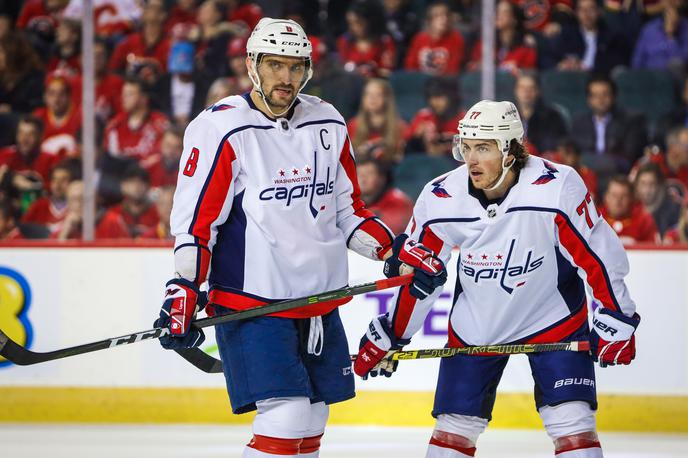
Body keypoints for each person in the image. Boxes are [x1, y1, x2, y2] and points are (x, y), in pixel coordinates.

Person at [152, 18, 442, 458]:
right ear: (253, 65)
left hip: (317, 299)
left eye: (296, 66)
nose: (285, 78)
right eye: (274, 65)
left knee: (311, 419)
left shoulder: (327, 121)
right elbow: (197, 222)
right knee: (285, 416)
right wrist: (185, 285)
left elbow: (348, 211)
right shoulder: (220, 128)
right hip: (252, 300)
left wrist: (394, 251)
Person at [354, 100, 640, 458]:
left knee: (573, 425)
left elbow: (597, 257)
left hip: (551, 318)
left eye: (483, 148)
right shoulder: (441, 197)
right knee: (452, 430)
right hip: (477, 324)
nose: (471, 160)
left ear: (511, 150)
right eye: (466, 147)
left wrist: (617, 315)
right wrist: (393, 331)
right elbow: (422, 275)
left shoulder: (556, 187)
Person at [348, 78, 407, 163]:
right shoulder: (353, 125)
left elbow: (401, 157)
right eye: (368, 94)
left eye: (378, 95)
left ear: (387, 99)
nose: (372, 98)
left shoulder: (400, 126)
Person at [96, 164, 159, 239]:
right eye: (132, 182)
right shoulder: (113, 214)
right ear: (123, 186)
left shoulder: (157, 214)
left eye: (141, 182)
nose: (137, 187)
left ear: (149, 186)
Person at [406, 76, 463, 157]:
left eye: (439, 97)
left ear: (452, 97)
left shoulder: (465, 120)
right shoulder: (424, 116)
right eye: (430, 97)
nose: (433, 102)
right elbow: (406, 148)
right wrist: (418, 138)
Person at [404, 1, 465, 76]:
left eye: (446, 15)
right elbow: (410, 66)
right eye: (438, 16)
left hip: (444, 84)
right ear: (429, 21)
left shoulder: (456, 39)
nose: (444, 19)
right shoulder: (419, 39)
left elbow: (453, 69)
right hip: (420, 82)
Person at [357, 156, 413, 235]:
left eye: (369, 173)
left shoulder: (398, 202)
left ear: (382, 178)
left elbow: (388, 235)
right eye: (359, 173)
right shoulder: (351, 202)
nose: (363, 178)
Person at [600, 175, 660, 245]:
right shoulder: (596, 219)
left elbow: (652, 250)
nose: (618, 201)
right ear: (606, 197)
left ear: (631, 198)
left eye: (624, 196)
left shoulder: (644, 221)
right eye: (614, 195)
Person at [633, 162, 681, 237]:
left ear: (660, 185)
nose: (647, 190)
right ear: (636, 185)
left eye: (652, 184)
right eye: (643, 183)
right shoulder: (630, 209)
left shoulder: (674, 210)